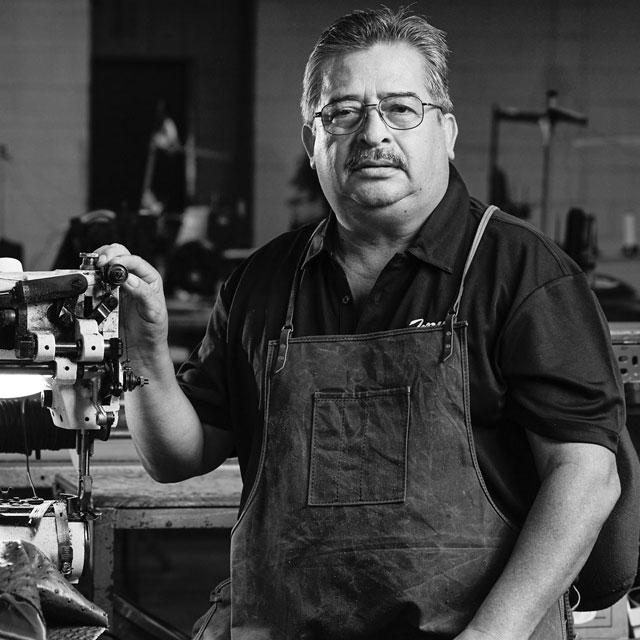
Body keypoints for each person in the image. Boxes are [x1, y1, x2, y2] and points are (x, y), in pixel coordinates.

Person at [95, 7, 632, 640]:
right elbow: (176, 456)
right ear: (312, 141)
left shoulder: (523, 273)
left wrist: (490, 636)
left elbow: (586, 478)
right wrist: (145, 347)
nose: (373, 132)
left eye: (402, 108)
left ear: (448, 132)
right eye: (343, 112)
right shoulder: (264, 282)